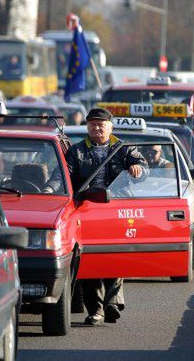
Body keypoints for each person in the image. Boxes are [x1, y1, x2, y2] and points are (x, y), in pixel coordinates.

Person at [65, 107, 148, 326]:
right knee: (88, 260)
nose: (96, 127)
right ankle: (96, 311)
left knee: (116, 255)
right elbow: (63, 177)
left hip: (117, 209)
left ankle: (111, 304)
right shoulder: (76, 151)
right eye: (92, 124)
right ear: (87, 127)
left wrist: (138, 168)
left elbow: (144, 167)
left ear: (110, 127)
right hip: (87, 209)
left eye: (101, 124)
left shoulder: (123, 148)